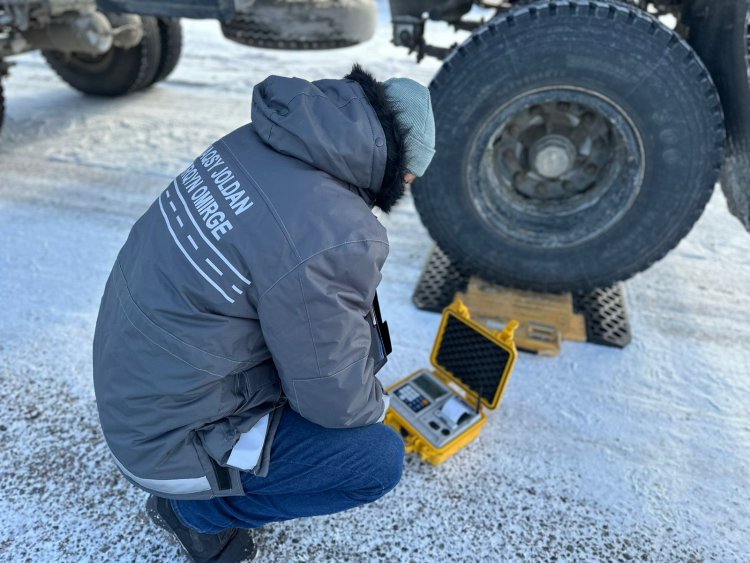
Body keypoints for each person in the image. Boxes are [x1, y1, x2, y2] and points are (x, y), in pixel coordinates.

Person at [92, 63, 436, 562]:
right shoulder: (334, 230)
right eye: (412, 174)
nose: (406, 184)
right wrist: (378, 405)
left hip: (134, 384)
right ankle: (192, 512)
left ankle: (198, 490)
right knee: (375, 457)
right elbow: (336, 402)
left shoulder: (255, 141)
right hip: (165, 437)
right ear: (399, 163)